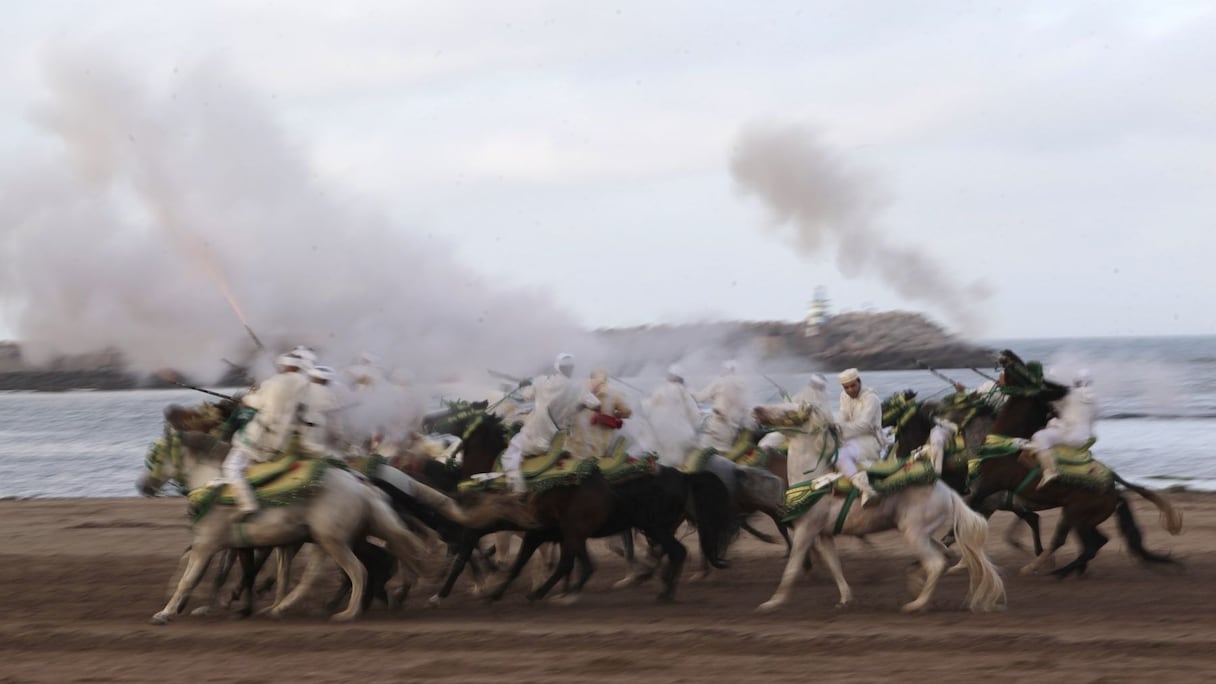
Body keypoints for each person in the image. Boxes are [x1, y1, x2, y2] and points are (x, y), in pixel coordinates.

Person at [220, 354, 310, 515]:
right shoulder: (305, 384)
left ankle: (247, 505)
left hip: (259, 437)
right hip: (282, 440)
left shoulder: (272, 382)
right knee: (249, 467)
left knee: (231, 467)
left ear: (284, 366)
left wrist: (245, 399)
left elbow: (259, 402)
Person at [500, 353, 601, 493]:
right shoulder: (578, 388)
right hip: (559, 442)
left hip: (535, 439)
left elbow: (524, 396)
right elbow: (597, 405)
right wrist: (577, 408)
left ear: (556, 367)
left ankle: (517, 492)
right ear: (572, 368)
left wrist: (524, 385)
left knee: (509, 455)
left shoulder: (541, 381)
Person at [1029, 369, 1098, 487]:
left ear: (1077, 382)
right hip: (1084, 439)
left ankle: (1050, 472)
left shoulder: (1071, 393)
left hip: (1070, 435)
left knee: (1039, 436)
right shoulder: (1095, 399)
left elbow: (1050, 397)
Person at [834, 368, 884, 505]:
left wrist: (840, 429)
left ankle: (866, 489)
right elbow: (842, 416)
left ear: (859, 382)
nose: (850, 390)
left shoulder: (871, 398)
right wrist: (834, 425)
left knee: (841, 455)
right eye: (846, 387)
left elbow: (864, 425)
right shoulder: (844, 396)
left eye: (853, 386)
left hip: (871, 440)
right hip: (851, 438)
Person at [640, 365, 703, 467]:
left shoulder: (658, 391)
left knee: (664, 464)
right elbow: (696, 417)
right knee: (679, 465)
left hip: (659, 439)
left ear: (670, 377)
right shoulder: (683, 391)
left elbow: (645, 409)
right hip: (680, 438)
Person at [568, 369, 632, 460]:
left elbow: (569, 412)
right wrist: (616, 414)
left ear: (591, 378)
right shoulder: (615, 394)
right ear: (606, 380)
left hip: (575, 448)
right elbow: (627, 412)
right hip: (599, 449)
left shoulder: (579, 391)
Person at [693, 360, 750, 451]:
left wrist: (689, 391)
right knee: (724, 452)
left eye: (722, 369)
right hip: (732, 430)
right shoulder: (743, 386)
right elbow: (746, 409)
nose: (720, 371)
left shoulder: (720, 382)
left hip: (716, 427)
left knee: (704, 451)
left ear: (728, 370)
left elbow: (701, 398)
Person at [300, 365, 341, 455]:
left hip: (303, 427)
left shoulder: (304, 388)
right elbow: (334, 418)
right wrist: (338, 433)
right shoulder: (330, 395)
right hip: (319, 429)